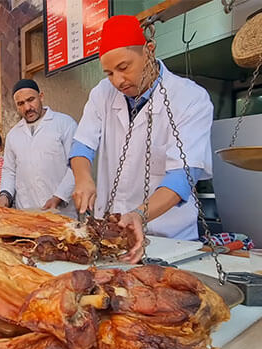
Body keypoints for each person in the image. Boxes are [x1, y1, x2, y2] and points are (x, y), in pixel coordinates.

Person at [69, 15, 214, 262]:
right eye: (109, 73)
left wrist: (139, 214)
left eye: (124, 68)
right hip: (112, 236)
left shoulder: (190, 98)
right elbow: (82, 144)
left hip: (168, 239)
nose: (117, 81)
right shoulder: (102, 94)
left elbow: (182, 177)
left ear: (149, 50)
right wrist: (83, 178)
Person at [0, 79, 77, 217]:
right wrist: (5, 195)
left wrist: (58, 197)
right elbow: (9, 170)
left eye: (31, 100)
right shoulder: (13, 135)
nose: (27, 108)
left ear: (41, 97)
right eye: (21, 104)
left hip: (61, 213)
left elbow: (76, 166)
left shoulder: (65, 124)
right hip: (27, 214)